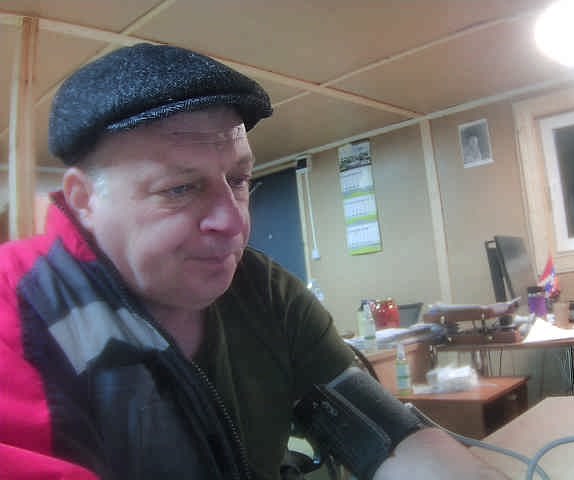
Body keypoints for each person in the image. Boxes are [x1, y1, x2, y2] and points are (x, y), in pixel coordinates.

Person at [0, 43, 507, 480]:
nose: (233, 221)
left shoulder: (264, 290)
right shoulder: (16, 311)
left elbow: (386, 436)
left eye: (239, 180)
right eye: (180, 188)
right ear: (85, 200)